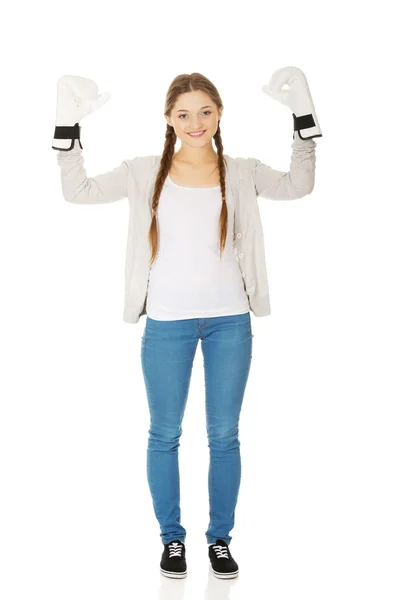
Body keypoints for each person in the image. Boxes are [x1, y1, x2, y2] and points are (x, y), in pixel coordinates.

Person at [53, 69, 322, 580]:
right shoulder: (142, 170)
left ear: (219, 114)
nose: (195, 122)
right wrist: (67, 129)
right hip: (167, 324)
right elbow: (79, 192)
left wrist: (302, 117)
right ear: (168, 119)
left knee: (223, 435)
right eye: (183, 114)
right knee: (165, 433)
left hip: (230, 323)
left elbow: (299, 185)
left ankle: (219, 539)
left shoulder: (239, 171)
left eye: (205, 111)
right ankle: (171, 541)